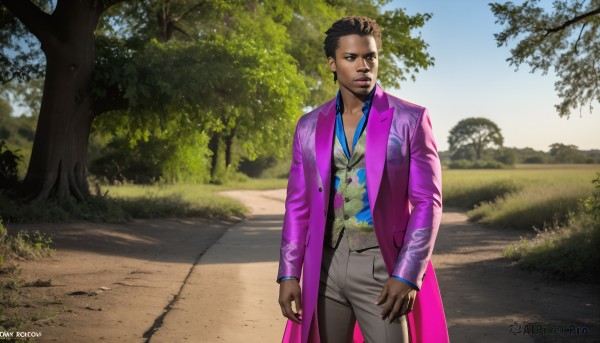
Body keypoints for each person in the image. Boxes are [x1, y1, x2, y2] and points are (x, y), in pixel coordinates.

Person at [277, 16, 448, 343]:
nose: (363, 66)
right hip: (323, 268)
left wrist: (408, 274)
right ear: (332, 63)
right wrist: (288, 274)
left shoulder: (410, 119)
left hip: (381, 264)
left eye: (370, 57)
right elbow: (297, 206)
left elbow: (428, 202)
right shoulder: (309, 126)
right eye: (351, 58)